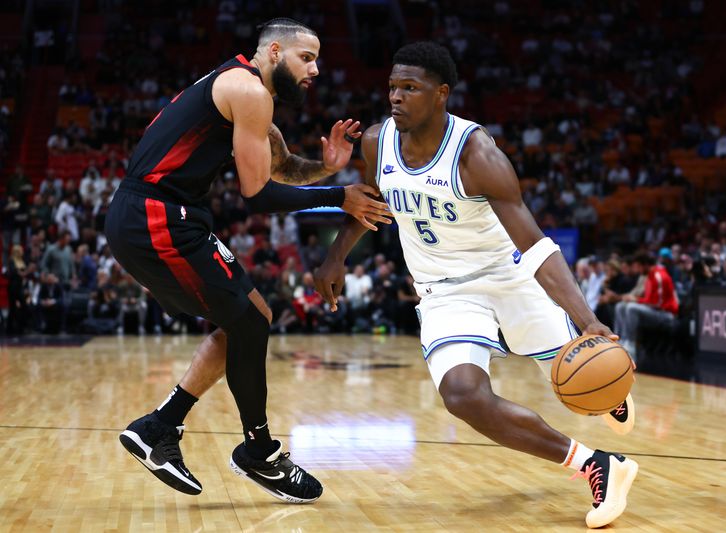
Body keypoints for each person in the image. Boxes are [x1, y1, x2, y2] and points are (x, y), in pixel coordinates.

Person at [314, 42, 637, 529]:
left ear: (441, 94)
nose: (396, 98)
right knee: (462, 395)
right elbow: (373, 202)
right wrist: (336, 255)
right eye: (392, 88)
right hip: (443, 290)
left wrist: (589, 320)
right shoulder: (377, 142)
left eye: (410, 88)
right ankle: (597, 465)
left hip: (507, 275)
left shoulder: (477, 153)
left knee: (573, 368)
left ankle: (605, 386)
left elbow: (536, 245)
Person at [105, 18, 391, 503]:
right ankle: (257, 451)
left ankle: (161, 426)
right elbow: (257, 195)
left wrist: (327, 167)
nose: (316, 70)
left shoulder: (241, 89)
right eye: (307, 58)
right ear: (274, 51)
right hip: (156, 217)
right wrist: (339, 195)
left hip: (164, 218)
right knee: (250, 321)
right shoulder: (250, 92)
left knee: (252, 317)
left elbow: (278, 167)